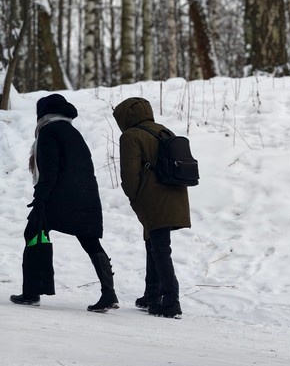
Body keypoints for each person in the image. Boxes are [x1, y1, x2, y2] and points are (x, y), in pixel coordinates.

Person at [10, 94, 119, 312]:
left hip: (59, 198)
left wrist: (40, 199)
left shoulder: (49, 131)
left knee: (34, 232)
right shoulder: (73, 132)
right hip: (85, 195)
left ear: (43, 113)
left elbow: (49, 170)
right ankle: (109, 293)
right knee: (90, 242)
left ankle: (33, 291)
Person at [113, 97, 191, 319]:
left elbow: (129, 174)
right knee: (154, 242)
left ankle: (171, 301)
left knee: (159, 247)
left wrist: (134, 195)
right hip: (175, 192)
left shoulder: (130, 136)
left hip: (153, 196)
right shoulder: (163, 130)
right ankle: (152, 294)